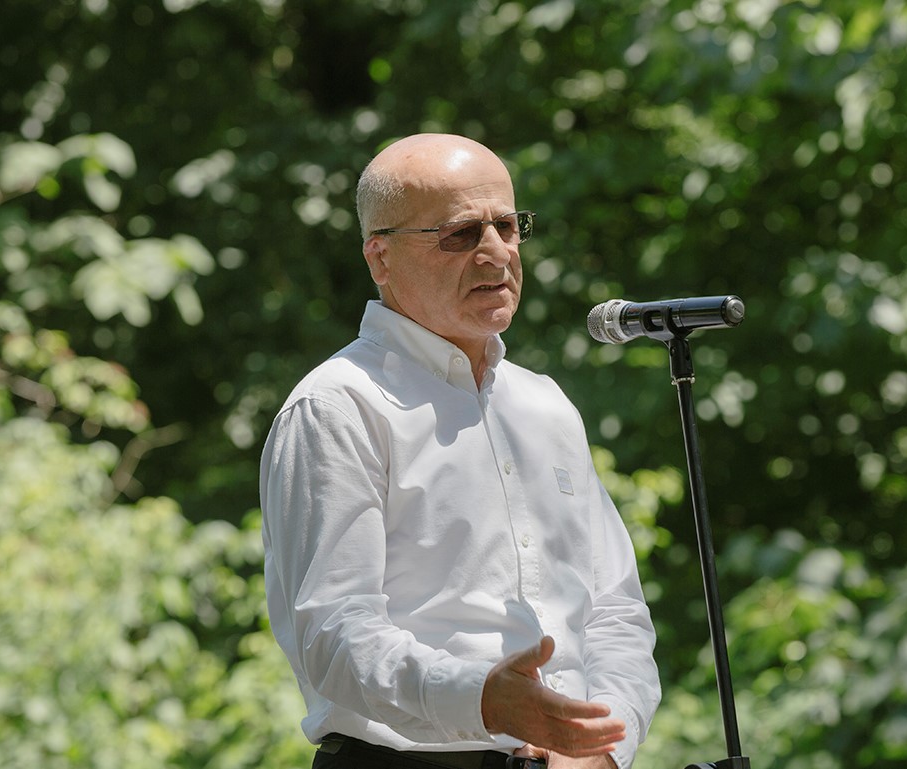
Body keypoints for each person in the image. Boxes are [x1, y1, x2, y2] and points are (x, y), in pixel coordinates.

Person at [260, 133, 661, 769]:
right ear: (380, 258)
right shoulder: (338, 405)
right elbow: (333, 635)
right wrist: (480, 700)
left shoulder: (545, 405)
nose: (496, 252)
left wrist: (604, 744)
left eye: (508, 225)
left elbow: (615, 611)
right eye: (461, 234)